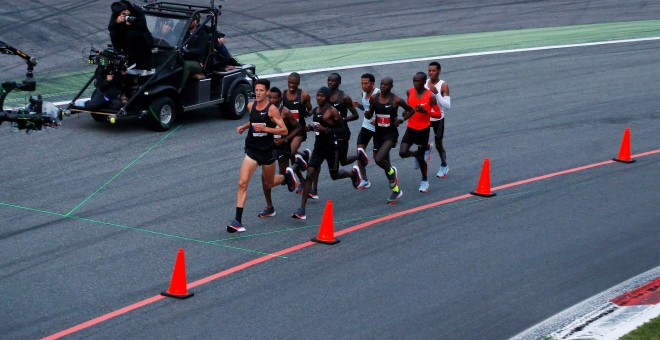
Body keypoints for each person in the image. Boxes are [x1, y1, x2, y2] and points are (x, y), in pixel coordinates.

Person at [227, 79, 298, 233]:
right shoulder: (250, 105)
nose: (258, 93)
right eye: (256, 90)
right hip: (252, 150)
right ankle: (237, 220)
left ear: (266, 92)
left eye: (261, 91)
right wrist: (244, 127)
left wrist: (266, 129)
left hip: (267, 152)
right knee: (242, 183)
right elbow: (254, 121)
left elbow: (284, 130)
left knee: (270, 183)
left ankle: (286, 177)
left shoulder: (272, 110)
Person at [291, 87, 361, 220]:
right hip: (318, 148)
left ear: (328, 98)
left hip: (331, 148)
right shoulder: (316, 111)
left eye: (322, 96)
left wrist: (326, 129)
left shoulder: (332, 112)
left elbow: (342, 131)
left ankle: (352, 174)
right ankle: (302, 209)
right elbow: (318, 127)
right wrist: (311, 128)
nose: (319, 98)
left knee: (334, 175)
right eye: (317, 96)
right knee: (310, 173)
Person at [364, 77, 414, 204]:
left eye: (386, 85)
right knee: (384, 161)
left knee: (379, 159)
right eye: (381, 84)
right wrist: (368, 114)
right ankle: (396, 190)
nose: (382, 86)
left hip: (390, 134)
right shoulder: (374, 98)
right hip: (378, 134)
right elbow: (370, 113)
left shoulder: (396, 100)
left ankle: (392, 171)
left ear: (391, 86)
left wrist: (401, 120)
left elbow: (411, 110)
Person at [258, 87, 303, 218]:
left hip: (282, 147)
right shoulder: (264, 110)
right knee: (264, 178)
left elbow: (298, 128)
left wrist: (285, 139)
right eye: (270, 97)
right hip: (269, 148)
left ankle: (297, 164)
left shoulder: (286, 112)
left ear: (280, 98)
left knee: (283, 179)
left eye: (275, 98)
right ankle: (270, 207)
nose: (272, 100)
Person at [399, 72, 440, 193]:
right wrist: (405, 113)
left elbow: (438, 114)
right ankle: (416, 154)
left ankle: (424, 180)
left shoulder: (430, 96)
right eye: (414, 81)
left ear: (424, 82)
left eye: (418, 81)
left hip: (423, 130)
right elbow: (409, 107)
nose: (415, 83)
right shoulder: (409, 91)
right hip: (410, 128)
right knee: (402, 152)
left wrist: (425, 112)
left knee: (422, 159)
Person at [282, 72, 314, 196]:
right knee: (291, 156)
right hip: (286, 130)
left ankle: (303, 157)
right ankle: (302, 178)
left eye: (293, 83)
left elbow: (310, 109)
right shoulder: (283, 94)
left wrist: (307, 113)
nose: (291, 85)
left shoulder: (304, 95)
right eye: (289, 82)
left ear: (298, 83)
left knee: (291, 152)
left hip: (299, 130)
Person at [351, 73, 379, 189]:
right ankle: (365, 179)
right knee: (360, 151)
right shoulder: (363, 93)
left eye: (366, 83)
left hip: (379, 127)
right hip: (367, 125)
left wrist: (377, 120)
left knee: (378, 158)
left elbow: (385, 110)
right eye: (362, 83)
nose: (363, 86)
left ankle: (391, 174)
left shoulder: (378, 94)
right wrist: (359, 106)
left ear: (372, 83)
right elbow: (367, 108)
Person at [108, 1, 154, 70]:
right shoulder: (116, 13)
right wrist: (116, 21)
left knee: (131, 33)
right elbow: (110, 27)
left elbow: (143, 26)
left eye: (126, 11)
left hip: (143, 40)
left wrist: (132, 23)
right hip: (126, 41)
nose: (125, 13)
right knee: (113, 32)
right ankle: (118, 52)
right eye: (123, 13)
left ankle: (132, 60)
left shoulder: (137, 10)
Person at [426, 61, 451, 178]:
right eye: (430, 70)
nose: (431, 73)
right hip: (426, 116)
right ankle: (427, 147)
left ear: (439, 71)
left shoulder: (443, 85)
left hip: (438, 118)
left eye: (434, 71)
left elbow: (447, 106)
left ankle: (444, 165)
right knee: (419, 138)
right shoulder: (426, 83)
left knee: (438, 144)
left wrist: (437, 94)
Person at [179, 14, 209, 92]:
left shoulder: (202, 34)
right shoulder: (185, 32)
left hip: (198, 62)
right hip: (184, 57)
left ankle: (179, 89)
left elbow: (200, 50)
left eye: (192, 20)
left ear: (196, 21)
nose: (189, 22)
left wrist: (188, 50)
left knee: (186, 65)